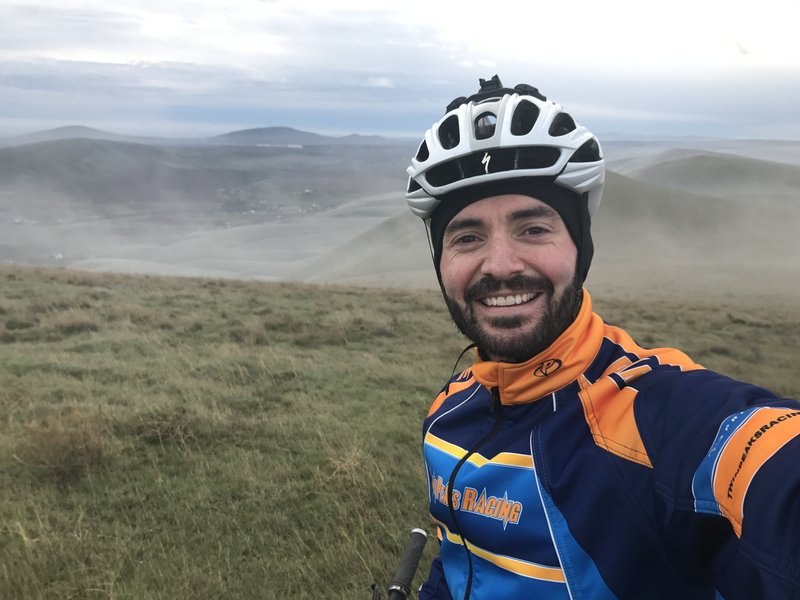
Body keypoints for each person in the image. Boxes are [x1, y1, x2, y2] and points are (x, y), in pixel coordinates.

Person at [404, 75, 800, 599]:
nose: (499, 265)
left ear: (580, 247)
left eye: (534, 228)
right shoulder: (449, 415)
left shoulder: (655, 416)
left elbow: (770, 464)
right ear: (441, 262)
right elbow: (459, 562)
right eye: (468, 237)